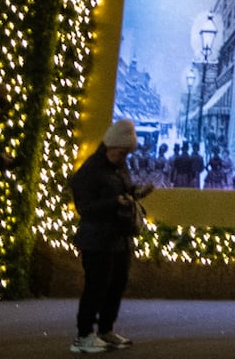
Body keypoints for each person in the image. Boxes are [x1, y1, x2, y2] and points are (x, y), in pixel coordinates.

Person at [67, 118, 149, 354]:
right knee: (96, 287)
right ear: (110, 147)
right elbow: (85, 208)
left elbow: (123, 190)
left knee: (117, 284)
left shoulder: (118, 167)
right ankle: (83, 335)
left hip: (119, 238)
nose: (125, 159)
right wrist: (114, 203)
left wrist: (136, 193)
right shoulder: (90, 171)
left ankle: (105, 329)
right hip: (97, 239)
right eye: (122, 153)